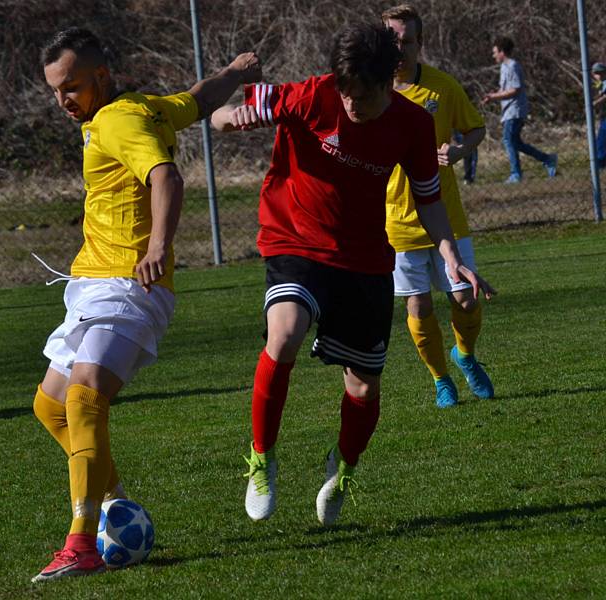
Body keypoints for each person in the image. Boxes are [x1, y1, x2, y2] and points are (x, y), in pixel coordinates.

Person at [211, 23, 494, 526]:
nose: (349, 105)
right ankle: (261, 457)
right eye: (343, 93)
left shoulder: (411, 124)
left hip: (364, 258)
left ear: (389, 83)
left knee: (363, 387)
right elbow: (220, 115)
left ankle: (342, 468)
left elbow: (429, 197)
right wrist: (230, 117)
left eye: (361, 96)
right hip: (295, 238)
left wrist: (450, 256)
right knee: (286, 332)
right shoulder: (309, 95)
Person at [31, 27, 261, 582]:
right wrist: (235, 73)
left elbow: (166, 176)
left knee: (85, 399)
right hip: (91, 283)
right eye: (57, 90)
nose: (63, 100)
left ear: (102, 78)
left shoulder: (120, 120)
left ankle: (81, 543)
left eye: (72, 87)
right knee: (51, 407)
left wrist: (158, 244)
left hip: (130, 284)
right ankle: (115, 506)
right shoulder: (142, 108)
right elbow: (198, 101)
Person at [382, 5, 493, 408]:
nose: (399, 49)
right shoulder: (372, 91)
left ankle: (464, 354)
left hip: (446, 214)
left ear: (419, 43)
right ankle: (441, 379)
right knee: (419, 303)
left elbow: (476, 127)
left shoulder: (442, 87)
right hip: (397, 220)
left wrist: (461, 149)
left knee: (466, 297)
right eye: (392, 40)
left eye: (406, 41)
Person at [482, 36, 557, 183]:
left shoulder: (513, 66)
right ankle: (548, 159)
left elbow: (515, 89)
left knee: (508, 140)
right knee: (516, 143)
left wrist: (494, 97)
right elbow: (505, 88)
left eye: (495, 52)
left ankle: (516, 173)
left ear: (502, 52)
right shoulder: (504, 68)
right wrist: (493, 95)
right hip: (508, 111)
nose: (494, 55)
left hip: (515, 111)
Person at [592, 62, 606, 169]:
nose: (599, 76)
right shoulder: (600, 83)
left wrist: (594, 104)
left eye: (601, 73)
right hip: (603, 116)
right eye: (596, 73)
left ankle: (601, 163)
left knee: (601, 141)